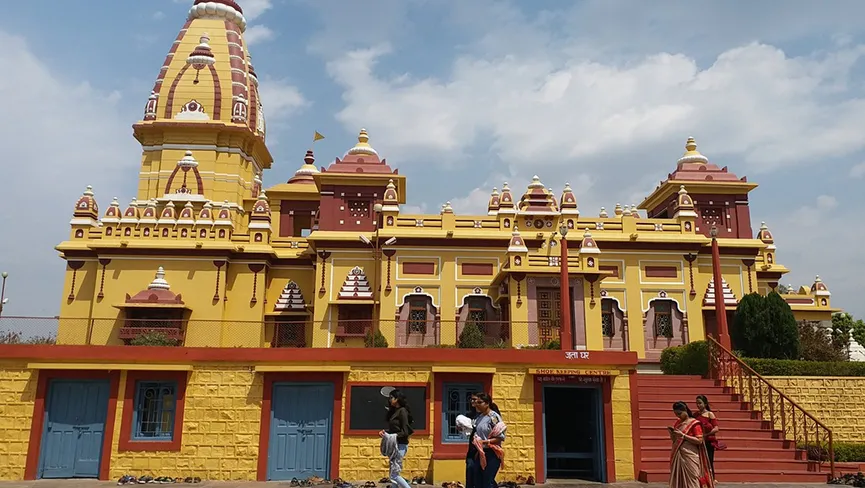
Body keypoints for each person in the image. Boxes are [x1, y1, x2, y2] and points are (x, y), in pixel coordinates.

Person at [669, 401, 714, 488]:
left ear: (685, 410)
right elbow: (675, 440)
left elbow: (699, 440)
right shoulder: (678, 423)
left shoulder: (694, 423)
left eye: (679, 413)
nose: (678, 416)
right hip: (678, 453)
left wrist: (683, 436)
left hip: (690, 454)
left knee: (692, 479)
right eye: (676, 414)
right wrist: (672, 434)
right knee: (679, 478)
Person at [467, 393, 506, 488]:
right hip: (481, 453)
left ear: (487, 403)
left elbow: (500, 437)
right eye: (476, 402)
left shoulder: (493, 417)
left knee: (488, 482)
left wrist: (485, 442)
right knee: (478, 481)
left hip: (492, 453)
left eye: (480, 402)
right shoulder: (479, 418)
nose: (477, 405)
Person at [379, 389, 414, 488]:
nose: (389, 400)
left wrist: (391, 436)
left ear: (397, 399)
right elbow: (395, 429)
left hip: (400, 445)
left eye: (391, 398)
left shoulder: (402, 411)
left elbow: (405, 431)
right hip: (395, 445)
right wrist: (385, 433)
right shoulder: (395, 411)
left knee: (394, 474)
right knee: (393, 473)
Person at [695, 395, 721, 482]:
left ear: (705, 404)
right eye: (697, 403)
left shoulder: (710, 414)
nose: (698, 405)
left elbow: (716, 428)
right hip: (699, 441)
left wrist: (706, 434)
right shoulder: (695, 415)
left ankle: (712, 478)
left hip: (708, 441)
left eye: (700, 403)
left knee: (709, 460)